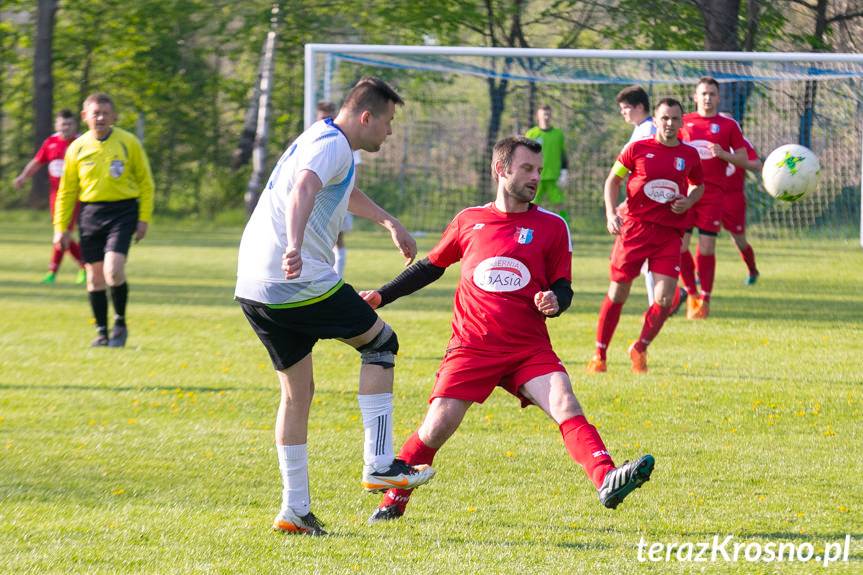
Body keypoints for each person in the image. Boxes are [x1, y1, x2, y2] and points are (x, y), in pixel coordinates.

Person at [361, 136, 655, 524]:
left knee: (565, 402)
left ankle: (606, 477)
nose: (536, 177)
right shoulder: (469, 220)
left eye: (539, 170)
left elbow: (564, 287)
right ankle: (393, 500)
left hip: (527, 348)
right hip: (472, 346)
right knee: (436, 427)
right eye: (527, 169)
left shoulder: (553, 226)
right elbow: (431, 267)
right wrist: (382, 295)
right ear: (501, 170)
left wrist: (555, 300)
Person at [235, 77, 435, 536]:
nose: (389, 131)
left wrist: (388, 220)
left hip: (254, 284)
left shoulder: (321, 135)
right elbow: (304, 188)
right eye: (388, 121)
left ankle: (294, 509)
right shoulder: (334, 146)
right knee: (380, 343)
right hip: (297, 278)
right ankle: (380, 463)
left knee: (297, 393)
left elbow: (336, 189)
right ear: (366, 117)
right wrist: (294, 245)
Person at [587, 98, 704, 374]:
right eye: (665, 118)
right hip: (634, 230)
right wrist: (610, 214)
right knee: (618, 292)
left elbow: (698, 185)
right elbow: (613, 180)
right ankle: (600, 355)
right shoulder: (637, 149)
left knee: (665, 299)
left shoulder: (689, 155)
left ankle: (640, 347)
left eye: (675, 118)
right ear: (656, 119)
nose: (670, 123)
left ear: (681, 121)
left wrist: (689, 201)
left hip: (668, 234)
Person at [53, 93, 154, 348]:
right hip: (90, 213)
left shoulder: (128, 143)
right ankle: (101, 332)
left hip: (123, 211)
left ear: (114, 116)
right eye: (95, 113)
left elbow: (146, 183)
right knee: (94, 278)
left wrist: (143, 218)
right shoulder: (77, 148)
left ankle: (120, 322)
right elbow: (67, 191)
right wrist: (61, 228)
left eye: (105, 113)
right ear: (85, 116)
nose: (100, 118)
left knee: (113, 270)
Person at [678, 77, 748, 319]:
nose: (707, 98)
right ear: (695, 97)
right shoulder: (683, 122)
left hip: (713, 194)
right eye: (703, 93)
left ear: (718, 98)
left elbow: (743, 159)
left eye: (712, 94)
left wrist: (724, 155)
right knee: (680, 246)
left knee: (707, 247)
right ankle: (692, 294)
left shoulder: (728, 126)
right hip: (687, 193)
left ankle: (705, 299)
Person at [14, 109, 85, 285]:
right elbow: (37, 162)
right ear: (57, 125)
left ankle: (55, 272)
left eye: (69, 124)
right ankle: (82, 266)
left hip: (74, 197)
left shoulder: (81, 143)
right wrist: (23, 176)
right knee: (62, 235)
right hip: (55, 197)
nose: (66, 127)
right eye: (63, 124)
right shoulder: (51, 142)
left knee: (62, 234)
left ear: (75, 125)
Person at [719, 114, 762, 285]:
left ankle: (752, 270)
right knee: (705, 236)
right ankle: (699, 275)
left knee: (739, 239)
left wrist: (729, 157)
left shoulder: (741, 143)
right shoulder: (706, 139)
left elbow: (757, 165)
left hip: (733, 198)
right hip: (708, 194)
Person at [315, 101, 356, 277]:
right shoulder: (314, 138)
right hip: (316, 199)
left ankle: (336, 275)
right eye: (322, 117)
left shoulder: (345, 140)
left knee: (337, 238)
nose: (326, 121)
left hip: (339, 196)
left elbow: (355, 172)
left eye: (329, 117)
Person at [525, 104, 570, 224]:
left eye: (548, 114)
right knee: (531, 203)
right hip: (536, 176)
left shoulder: (558, 134)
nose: (546, 117)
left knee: (559, 203)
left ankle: (565, 224)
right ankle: (528, 224)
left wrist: (564, 172)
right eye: (544, 114)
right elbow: (526, 155)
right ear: (538, 116)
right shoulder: (531, 134)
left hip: (553, 176)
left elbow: (563, 154)